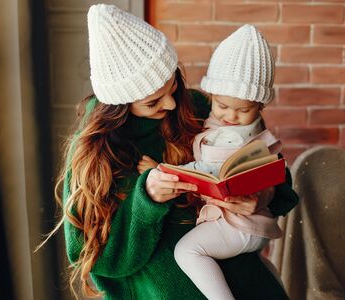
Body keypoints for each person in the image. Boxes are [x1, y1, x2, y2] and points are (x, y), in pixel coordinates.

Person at [53, 4, 299, 300]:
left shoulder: (196, 107)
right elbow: (96, 258)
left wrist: (261, 196)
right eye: (153, 102)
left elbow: (269, 168)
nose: (170, 104)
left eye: (173, 86)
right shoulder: (93, 156)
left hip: (244, 279)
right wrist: (148, 200)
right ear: (119, 107)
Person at [140, 24, 286, 300]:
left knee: (187, 251)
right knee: (253, 270)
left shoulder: (238, 137)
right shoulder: (213, 119)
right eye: (221, 106)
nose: (230, 116)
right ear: (211, 97)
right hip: (242, 226)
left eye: (243, 110)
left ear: (260, 107)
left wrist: (159, 172)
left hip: (242, 224)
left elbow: (206, 171)